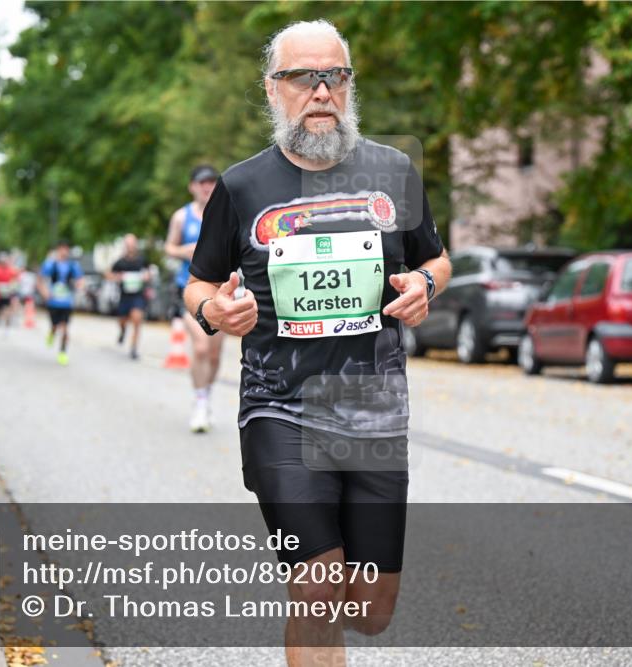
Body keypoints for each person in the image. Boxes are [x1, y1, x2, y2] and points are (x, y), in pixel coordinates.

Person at [183, 20, 450, 664]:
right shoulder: (242, 187)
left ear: (350, 85)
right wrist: (217, 312)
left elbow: (437, 262)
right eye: (305, 76)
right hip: (280, 410)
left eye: (335, 75)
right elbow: (196, 285)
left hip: (375, 414)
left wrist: (422, 285)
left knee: (371, 612)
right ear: (274, 90)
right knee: (318, 586)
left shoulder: (394, 171)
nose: (322, 90)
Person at [165, 164, 224, 432]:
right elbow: (168, 247)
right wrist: (184, 251)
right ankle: (199, 402)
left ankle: (206, 394)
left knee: (214, 353)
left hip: (220, 290)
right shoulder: (181, 217)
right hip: (187, 289)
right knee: (200, 346)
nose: (206, 186)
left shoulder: (225, 214)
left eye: (211, 182)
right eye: (201, 182)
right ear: (192, 186)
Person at [38, 241, 84, 366]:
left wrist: (79, 288)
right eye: (62, 249)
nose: (64, 252)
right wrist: (45, 293)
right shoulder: (50, 264)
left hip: (66, 302)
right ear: (58, 250)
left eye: (66, 249)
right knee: (55, 326)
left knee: (64, 328)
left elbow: (80, 279)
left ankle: (63, 352)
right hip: (53, 302)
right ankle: (51, 334)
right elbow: (40, 280)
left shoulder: (73, 265)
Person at [108, 234, 150, 360]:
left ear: (136, 245)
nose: (131, 247)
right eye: (128, 244)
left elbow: (149, 272)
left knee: (137, 319)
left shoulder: (142, 260)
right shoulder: (120, 262)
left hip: (138, 295)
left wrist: (147, 276)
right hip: (124, 296)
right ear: (125, 246)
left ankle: (133, 348)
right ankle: (122, 331)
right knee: (122, 320)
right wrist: (117, 277)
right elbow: (109, 274)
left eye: (133, 244)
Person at [0, 252, 21, 329]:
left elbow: (16, 278)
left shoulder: (11, 269)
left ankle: (7, 319)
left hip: (8, 291)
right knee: (0, 305)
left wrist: (12, 284)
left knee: (8, 305)